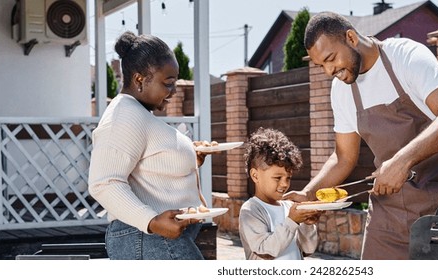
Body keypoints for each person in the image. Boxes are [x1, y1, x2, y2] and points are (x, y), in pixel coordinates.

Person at [284, 12, 438, 260]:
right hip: (389, 214)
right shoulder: (341, 90)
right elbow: (343, 156)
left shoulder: (405, 56)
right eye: (321, 65)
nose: (329, 71)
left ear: (351, 37)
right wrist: (309, 194)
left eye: (331, 59)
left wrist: (401, 161)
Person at [88, 31, 214, 260]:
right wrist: (152, 221)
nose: (174, 91)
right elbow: (104, 183)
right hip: (146, 239)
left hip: (157, 240)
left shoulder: (137, 113)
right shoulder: (123, 117)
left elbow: (149, 169)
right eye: (168, 83)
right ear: (139, 80)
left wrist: (191, 157)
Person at [239, 128, 321, 260]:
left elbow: (308, 249)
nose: (284, 184)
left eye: (288, 178)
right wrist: (292, 221)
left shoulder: (290, 207)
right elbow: (266, 251)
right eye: (277, 178)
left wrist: (307, 224)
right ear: (255, 175)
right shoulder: (251, 210)